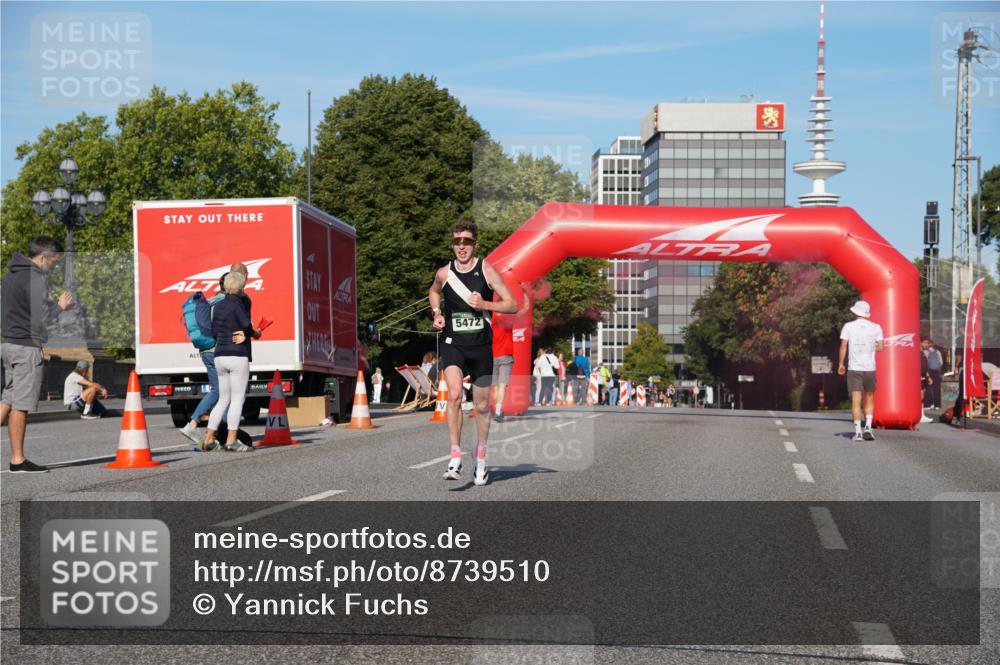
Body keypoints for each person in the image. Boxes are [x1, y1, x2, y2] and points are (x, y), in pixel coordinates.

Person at [429, 220, 517, 486]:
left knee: (480, 405)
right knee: (454, 395)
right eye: (457, 242)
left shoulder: (486, 270)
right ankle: (455, 456)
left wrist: (486, 303)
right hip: (453, 342)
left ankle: (481, 458)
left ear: (475, 243)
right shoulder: (444, 273)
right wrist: (436, 314)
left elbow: (512, 304)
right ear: (452, 244)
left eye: (467, 241)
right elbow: (433, 291)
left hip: (480, 346)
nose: (462, 247)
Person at [1, 237, 74, 473]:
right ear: (43, 257)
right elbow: (42, 318)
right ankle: (18, 460)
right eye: (54, 261)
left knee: (8, 399)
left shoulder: (11, 274)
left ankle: (17, 459)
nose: (53, 266)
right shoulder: (36, 279)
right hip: (26, 348)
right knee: (20, 405)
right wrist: (60, 306)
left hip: (8, 344)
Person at [202, 271, 261, 452]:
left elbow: (213, 333)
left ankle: (209, 438)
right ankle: (231, 440)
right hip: (237, 356)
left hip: (219, 355)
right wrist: (254, 333)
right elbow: (246, 325)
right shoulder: (238, 305)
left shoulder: (218, 306)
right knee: (237, 399)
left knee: (223, 399)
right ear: (241, 287)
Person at [838, 300, 884, 441]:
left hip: (854, 368)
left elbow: (843, 346)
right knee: (869, 398)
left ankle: (858, 432)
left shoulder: (848, 326)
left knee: (856, 401)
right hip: (870, 368)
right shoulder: (876, 327)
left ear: (855, 312)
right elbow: (881, 347)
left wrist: (841, 364)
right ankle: (868, 427)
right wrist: (869, 347)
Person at [491, 311, 514, 422]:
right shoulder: (508, 319)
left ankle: (496, 409)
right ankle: (498, 411)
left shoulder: (492, 320)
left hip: (493, 356)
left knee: (495, 386)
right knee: (502, 385)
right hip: (505, 356)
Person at [922, 338, 944, 410]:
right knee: (937, 388)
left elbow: (925, 362)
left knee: (929, 388)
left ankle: (929, 404)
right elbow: (941, 362)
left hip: (929, 371)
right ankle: (937, 405)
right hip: (937, 372)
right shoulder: (938, 352)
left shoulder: (925, 352)